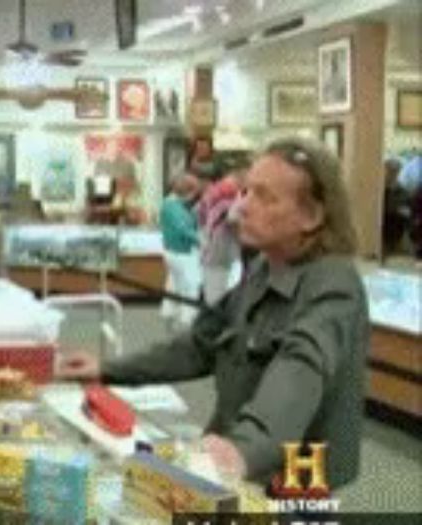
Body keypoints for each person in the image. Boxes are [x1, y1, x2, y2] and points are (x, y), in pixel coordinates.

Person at [60, 137, 369, 490]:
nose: (242, 208)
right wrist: (106, 369)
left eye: (264, 197)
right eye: (246, 192)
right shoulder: (263, 269)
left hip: (295, 477)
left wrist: (243, 450)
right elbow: (200, 344)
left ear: (312, 216)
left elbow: (301, 367)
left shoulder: (334, 285)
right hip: (233, 461)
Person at [197, 156, 247, 306]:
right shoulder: (230, 190)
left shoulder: (213, 189)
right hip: (222, 243)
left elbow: (200, 213)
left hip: (211, 239)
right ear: (240, 173)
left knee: (213, 283)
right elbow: (233, 217)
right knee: (220, 286)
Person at [158, 172, 202, 331]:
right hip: (182, 253)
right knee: (190, 287)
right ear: (187, 191)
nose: (194, 198)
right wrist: (202, 241)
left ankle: (169, 314)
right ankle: (187, 321)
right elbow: (184, 229)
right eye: (194, 193)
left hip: (172, 252)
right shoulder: (173, 207)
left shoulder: (170, 204)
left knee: (174, 284)